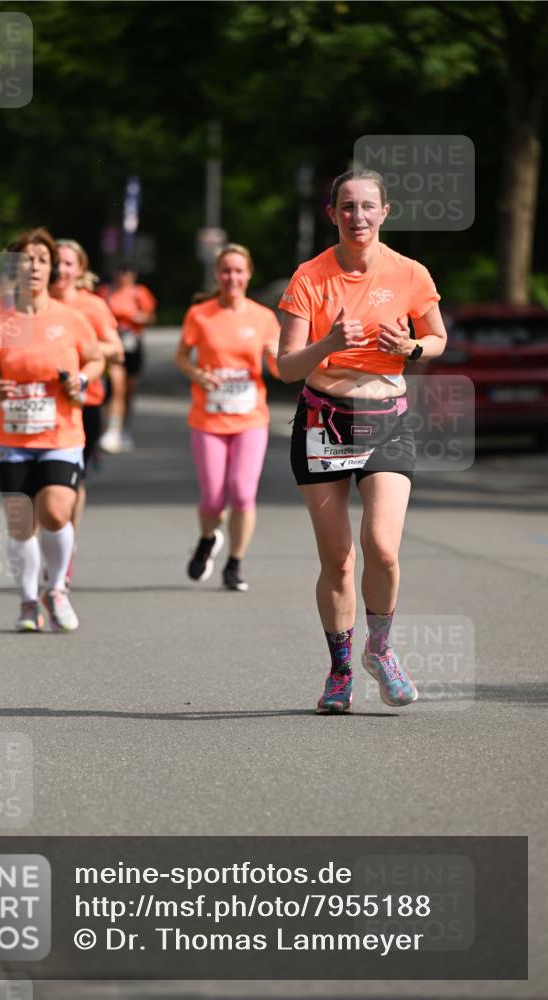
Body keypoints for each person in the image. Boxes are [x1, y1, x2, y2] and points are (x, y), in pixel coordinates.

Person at [277, 168, 448, 713]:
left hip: (389, 423)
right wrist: (327, 341)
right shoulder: (310, 277)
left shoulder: (410, 273)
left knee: (382, 547)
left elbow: (438, 337)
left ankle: (381, 648)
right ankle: (341, 670)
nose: (358, 216)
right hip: (323, 425)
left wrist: (413, 347)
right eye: (347, 207)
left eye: (367, 206)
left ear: (384, 212)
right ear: (332, 214)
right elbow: (285, 367)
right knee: (340, 560)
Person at [0, 228, 103, 632]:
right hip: (13, 438)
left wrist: (79, 380)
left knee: (54, 510)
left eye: (42, 261)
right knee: (21, 524)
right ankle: (28, 602)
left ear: (51, 270)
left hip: (61, 435)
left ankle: (57, 587)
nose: (34, 267)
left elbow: (96, 360)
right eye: (26, 260)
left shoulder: (71, 319)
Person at [174, 243, 280, 592]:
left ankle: (234, 563)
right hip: (208, 419)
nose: (231, 277)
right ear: (217, 274)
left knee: (243, 493)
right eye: (225, 271)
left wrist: (303, 359)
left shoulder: (263, 317)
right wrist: (197, 374)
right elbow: (181, 357)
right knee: (213, 499)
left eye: (238, 271)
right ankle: (207, 539)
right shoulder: (200, 314)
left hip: (251, 418)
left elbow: (279, 366)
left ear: (248, 274)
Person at [50, 239, 124, 584]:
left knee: (72, 478)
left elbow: (117, 350)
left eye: (68, 264)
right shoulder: (35, 303)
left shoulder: (91, 307)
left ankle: (66, 549)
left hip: (85, 402)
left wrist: (80, 349)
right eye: (55, 263)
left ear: (80, 269)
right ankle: (47, 547)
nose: (60, 270)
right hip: (38, 404)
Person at [98, 262, 157, 453]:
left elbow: (151, 317)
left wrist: (136, 316)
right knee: (117, 388)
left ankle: (124, 429)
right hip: (114, 345)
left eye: (128, 272)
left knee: (129, 392)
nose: (124, 276)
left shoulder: (139, 293)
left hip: (133, 343)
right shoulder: (106, 292)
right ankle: (112, 429)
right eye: (120, 271)